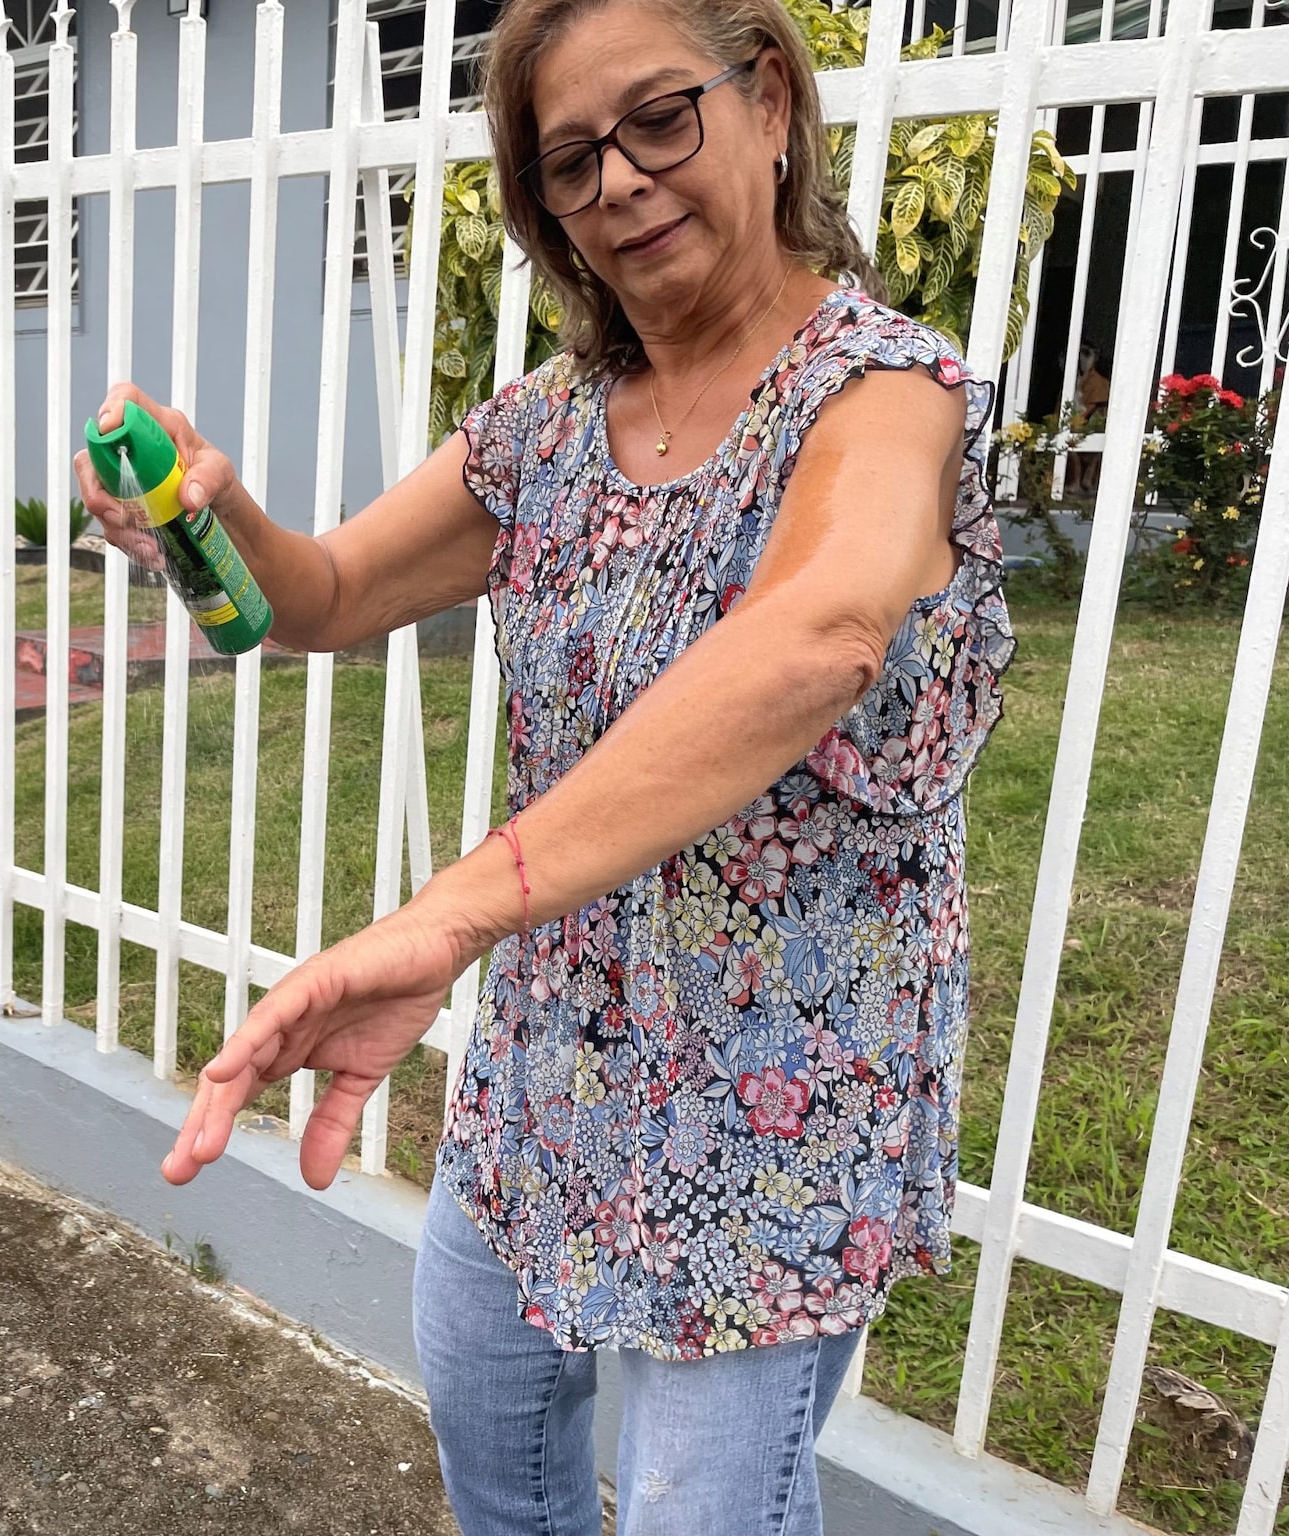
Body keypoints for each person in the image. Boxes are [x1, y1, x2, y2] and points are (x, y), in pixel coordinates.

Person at [72, 0, 1015, 1530]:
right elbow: (318, 595)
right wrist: (208, 518)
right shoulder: (546, 433)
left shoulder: (886, 394)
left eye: (661, 118)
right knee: (498, 1465)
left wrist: (452, 911)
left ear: (768, 99)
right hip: (551, 1077)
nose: (624, 182)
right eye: (571, 160)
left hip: (777, 1110)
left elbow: (818, 637)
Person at [1064, 342, 1110, 497]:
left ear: (1095, 357)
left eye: (1086, 353)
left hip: (1091, 426)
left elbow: (1093, 410)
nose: (1082, 358)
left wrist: (1076, 423)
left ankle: (1086, 479)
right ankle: (1073, 480)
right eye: (1079, 353)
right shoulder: (1071, 381)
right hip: (1071, 424)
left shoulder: (1100, 382)